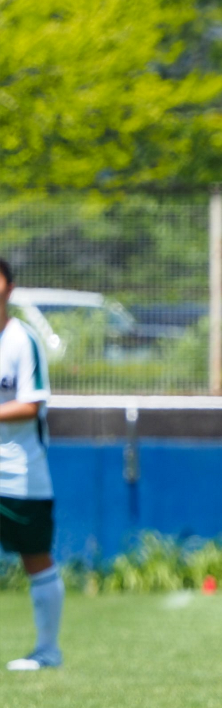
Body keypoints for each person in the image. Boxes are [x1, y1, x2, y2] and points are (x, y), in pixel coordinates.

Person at [0, 257, 64, 671]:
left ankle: (47, 650)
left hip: (20, 472)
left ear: (9, 288)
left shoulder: (22, 340)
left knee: (35, 556)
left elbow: (33, 403)